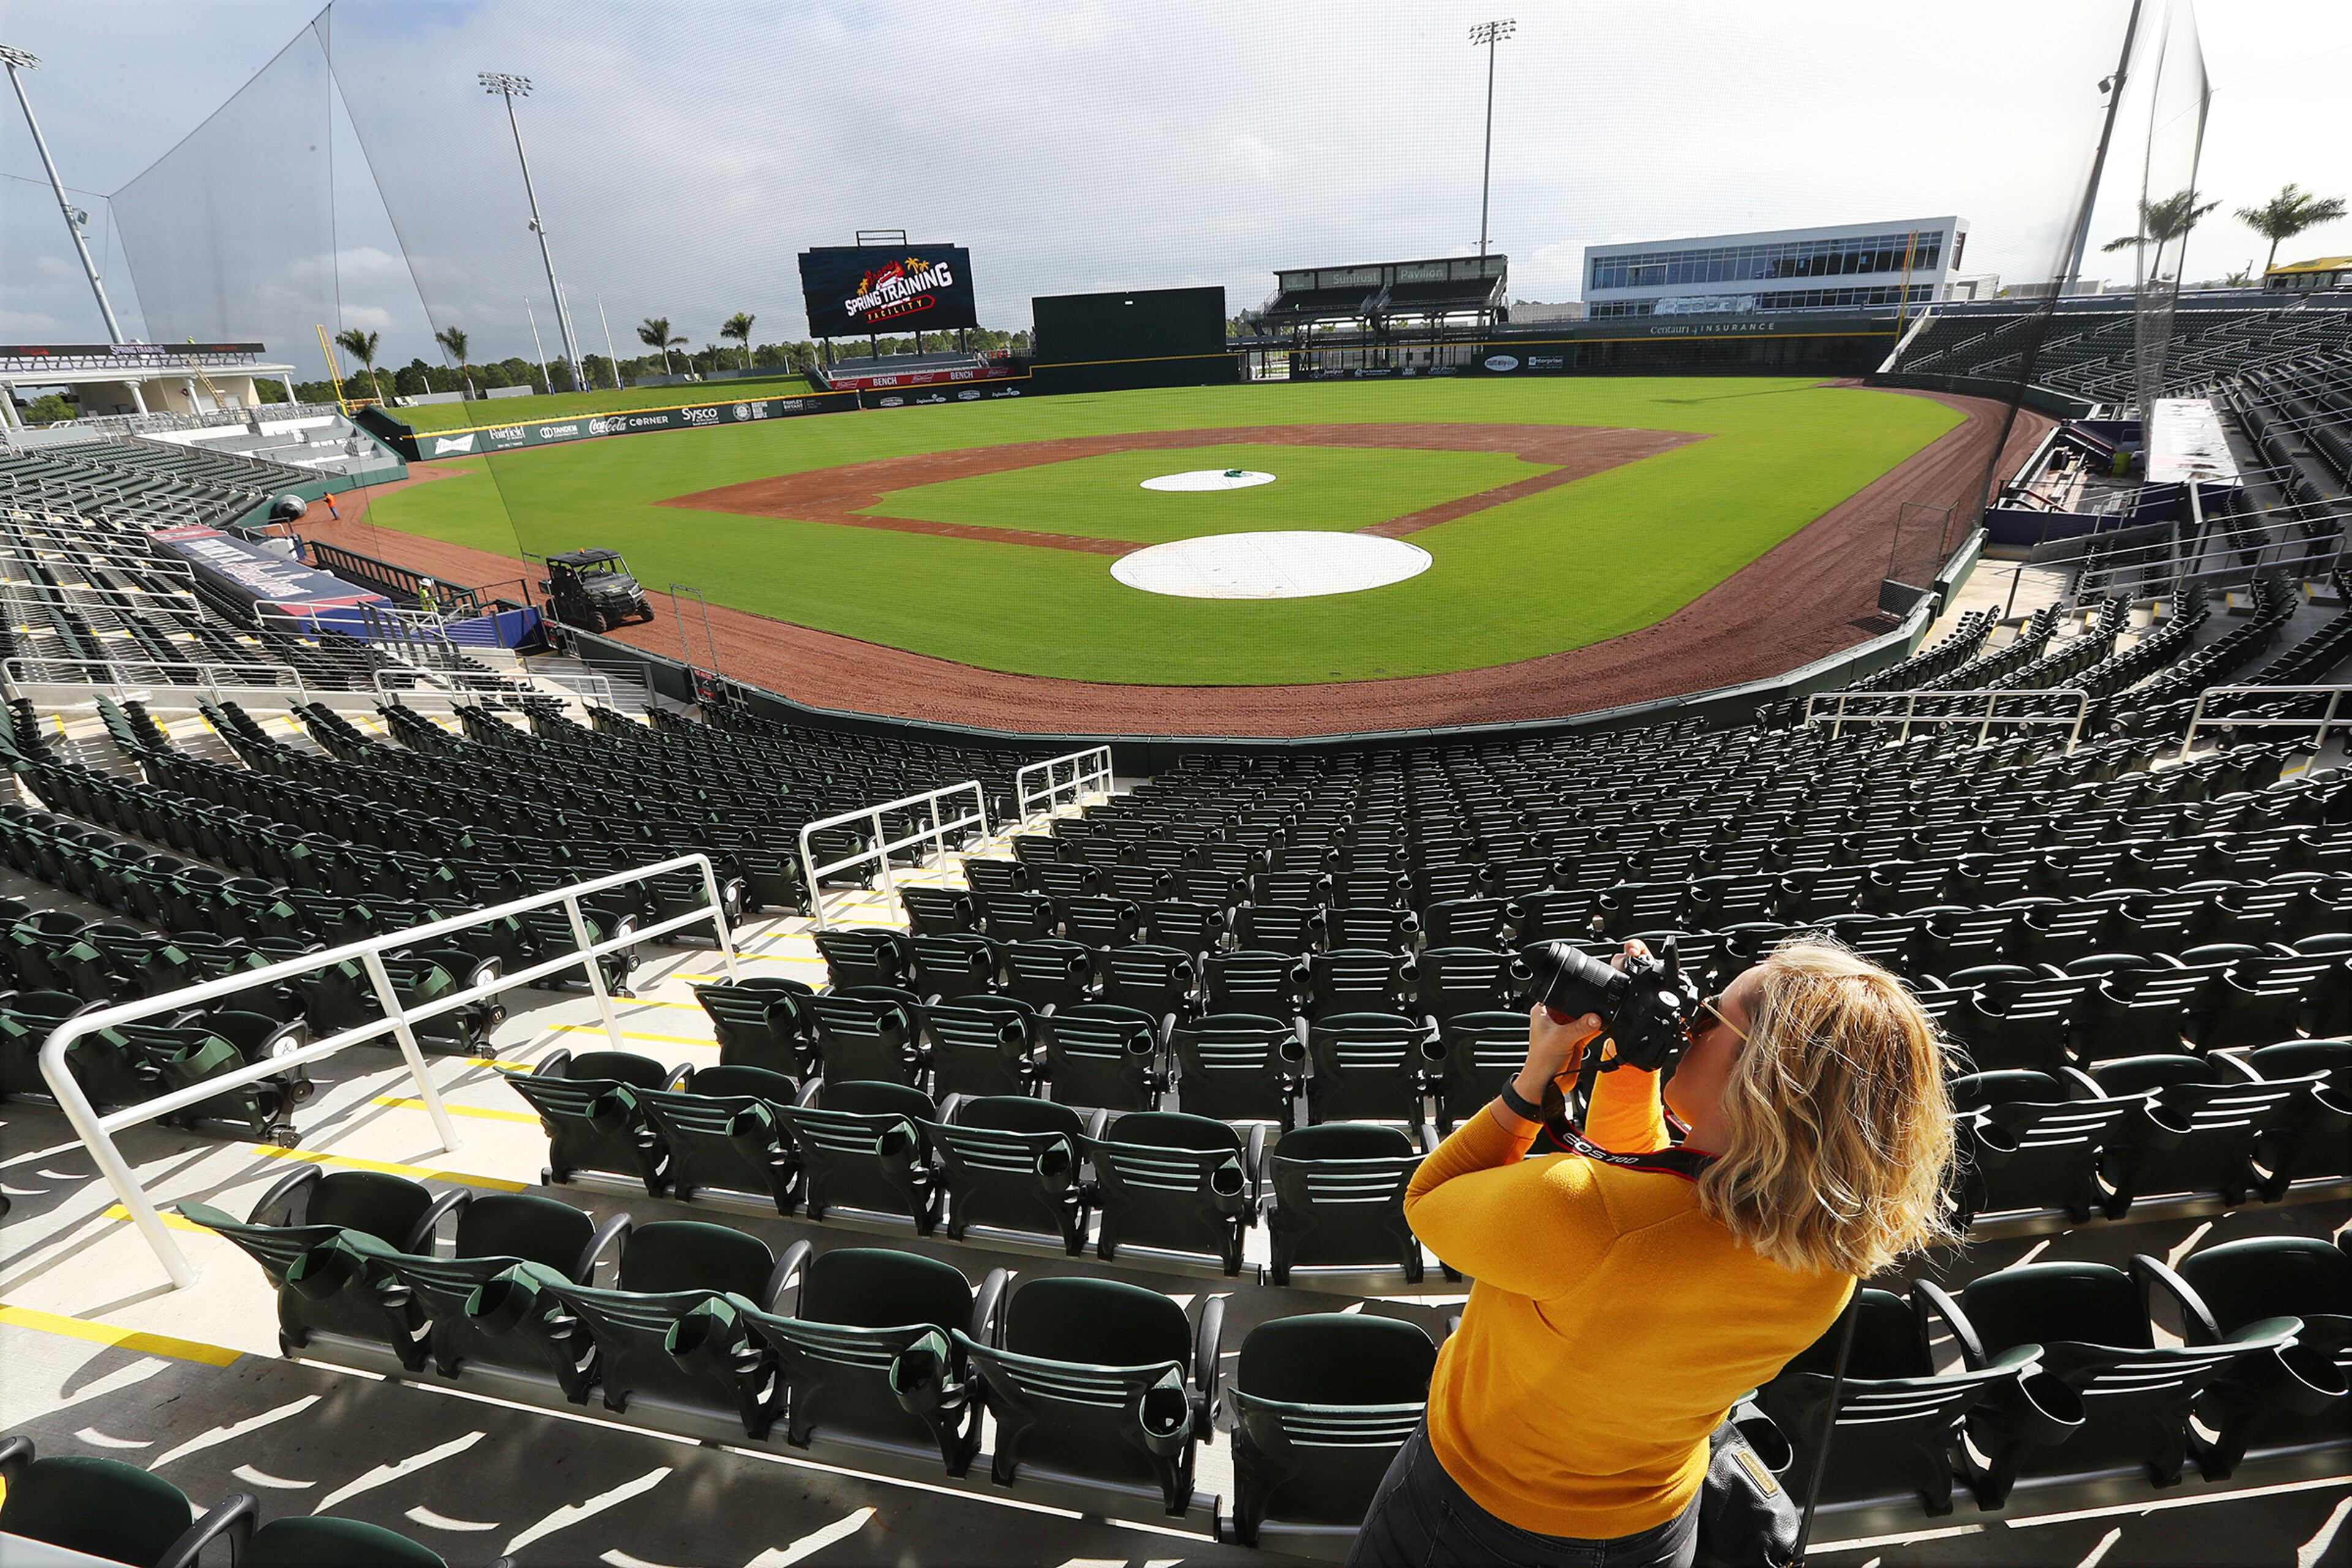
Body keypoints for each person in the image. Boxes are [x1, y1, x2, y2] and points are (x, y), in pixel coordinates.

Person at [1350, 937, 1956, 1568]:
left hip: (1471, 1516)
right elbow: (1658, 1198)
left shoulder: (1582, 1213)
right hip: (1657, 1529)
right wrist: (1632, 1060)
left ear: (1759, 1074)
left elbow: (1428, 1198)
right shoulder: (1829, 1250)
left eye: (1710, 1015)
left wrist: (1538, 1077)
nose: (1690, 1027)